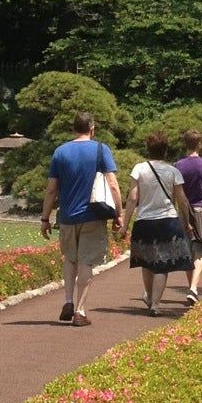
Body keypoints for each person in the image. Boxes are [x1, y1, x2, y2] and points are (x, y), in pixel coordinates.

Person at [40, 112, 123, 328]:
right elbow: (112, 183)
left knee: (70, 258)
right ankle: (80, 310)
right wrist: (119, 213)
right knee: (86, 261)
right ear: (92, 128)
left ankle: (67, 300)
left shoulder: (60, 152)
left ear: (73, 129)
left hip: (67, 216)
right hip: (93, 215)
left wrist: (44, 218)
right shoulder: (100, 149)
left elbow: (51, 189)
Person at [120, 131, 196, 315]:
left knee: (146, 261)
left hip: (144, 220)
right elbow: (182, 200)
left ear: (148, 149)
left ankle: (148, 296)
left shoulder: (139, 169)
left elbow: (132, 198)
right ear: (165, 150)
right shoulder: (173, 171)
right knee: (163, 263)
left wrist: (125, 224)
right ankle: (156, 303)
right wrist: (186, 222)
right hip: (168, 220)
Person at [175, 130, 202, 305]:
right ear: (199, 144)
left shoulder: (178, 165)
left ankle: (192, 287)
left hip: (184, 210)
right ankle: (193, 288)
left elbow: (175, 193)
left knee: (187, 251)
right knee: (200, 252)